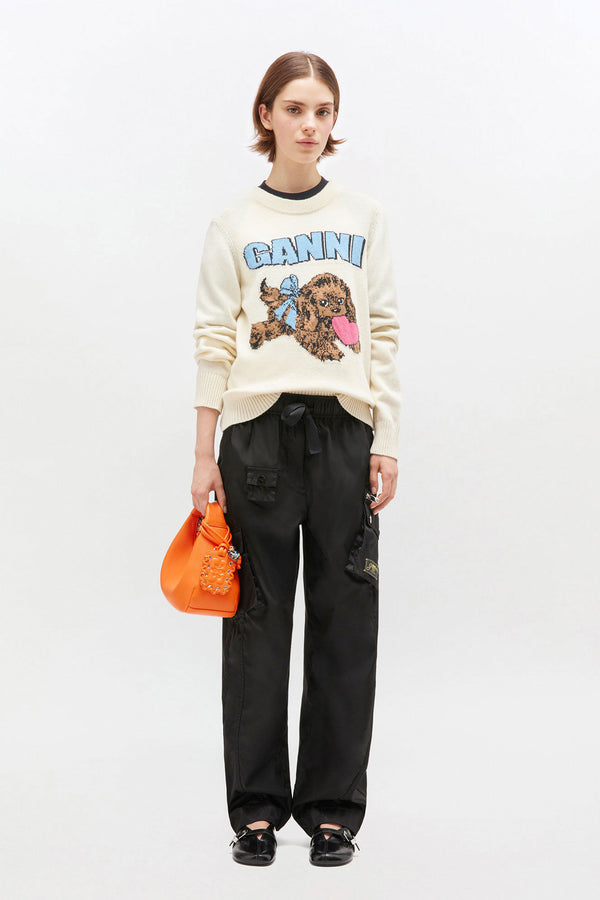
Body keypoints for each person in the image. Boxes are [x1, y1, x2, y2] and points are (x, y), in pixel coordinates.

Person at [190, 50, 401, 867]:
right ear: (266, 116)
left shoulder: (364, 219)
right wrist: (204, 453)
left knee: (346, 621)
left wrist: (386, 438)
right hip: (257, 438)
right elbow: (214, 340)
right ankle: (254, 809)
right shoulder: (234, 226)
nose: (310, 125)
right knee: (256, 623)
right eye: (294, 109)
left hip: (344, 432)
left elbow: (382, 332)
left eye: (323, 111)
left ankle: (331, 810)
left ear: (333, 121)